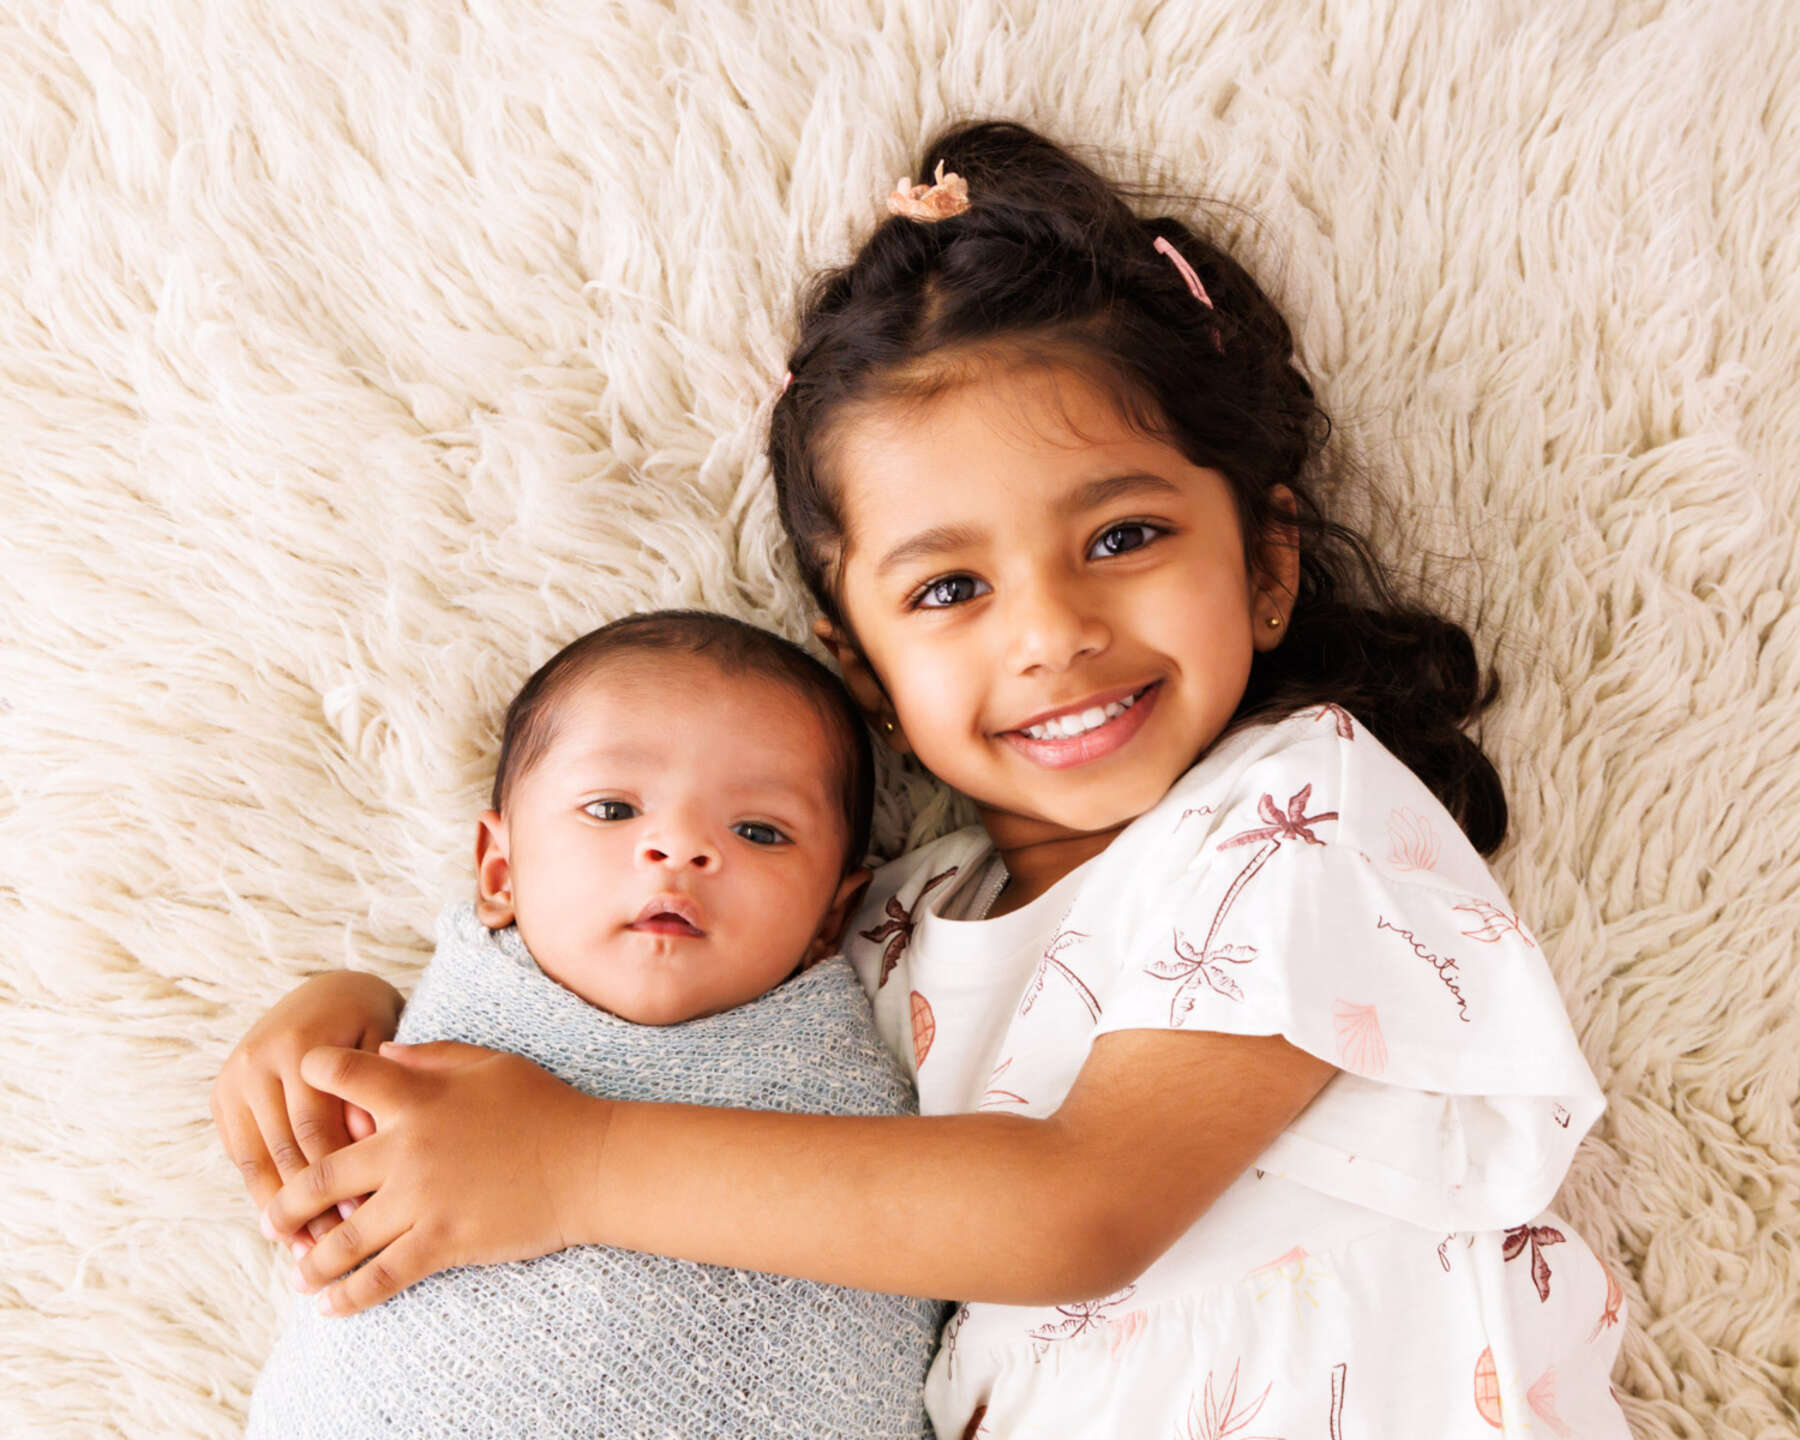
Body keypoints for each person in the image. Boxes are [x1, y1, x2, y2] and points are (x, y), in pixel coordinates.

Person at [222, 122, 1632, 1438]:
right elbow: (651, 1000)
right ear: (864, 671)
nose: (1051, 635)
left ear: (1266, 565)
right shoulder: (883, 916)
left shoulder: (1296, 822)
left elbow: (1078, 1210)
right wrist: (356, 1018)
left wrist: (574, 1166)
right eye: (951, 585)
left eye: (1125, 535)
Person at [234, 610, 942, 1439]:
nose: (678, 847)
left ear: (831, 917)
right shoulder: (444, 1010)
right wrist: (343, 991)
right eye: (612, 809)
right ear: (500, 873)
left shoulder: (843, 1076)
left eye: (759, 830)